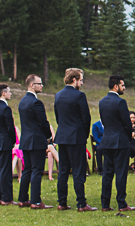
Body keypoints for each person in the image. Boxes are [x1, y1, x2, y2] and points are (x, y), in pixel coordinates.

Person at [54, 68, 96, 211]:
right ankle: (81, 203)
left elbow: (58, 117)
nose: (82, 83)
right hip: (76, 137)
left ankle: (62, 202)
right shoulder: (79, 95)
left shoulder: (58, 95)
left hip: (62, 136)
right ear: (74, 80)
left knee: (63, 171)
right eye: (81, 80)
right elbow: (86, 117)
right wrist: (83, 134)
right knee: (78, 171)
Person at [99, 75, 135, 212]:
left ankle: (105, 204)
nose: (124, 87)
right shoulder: (120, 102)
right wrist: (128, 137)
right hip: (120, 141)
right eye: (122, 85)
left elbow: (104, 121)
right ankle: (121, 203)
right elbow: (127, 123)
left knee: (107, 174)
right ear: (116, 86)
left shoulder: (102, 102)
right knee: (121, 173)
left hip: (107, 141)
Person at [17, 74, 53, 209]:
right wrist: (49, 136)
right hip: (36, 140)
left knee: (28, 170)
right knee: (37, 170)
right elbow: (43, 123)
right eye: (39, 83)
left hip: (26, 140)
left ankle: (23, 199)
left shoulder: (22, 101)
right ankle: (36, 201)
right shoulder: (36, 102)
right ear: (32, 85)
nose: (42, 85)